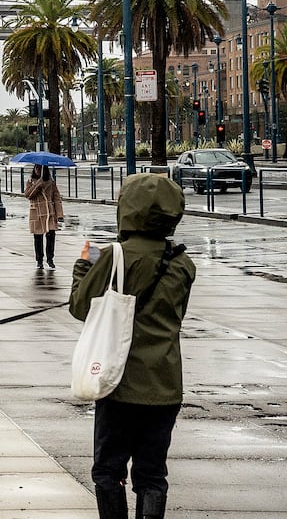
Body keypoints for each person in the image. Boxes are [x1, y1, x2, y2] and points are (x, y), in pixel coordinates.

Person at [69, 173, 196, 519]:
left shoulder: (112, 256)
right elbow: (176, 316)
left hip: (120, 384)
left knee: (108, 470)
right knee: (152, 474)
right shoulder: (183, 263)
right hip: (166, 385)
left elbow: (81, 306)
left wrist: (84, 264)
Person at [24, 165, 65, 270]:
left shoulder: (51, 182)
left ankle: (50, 259)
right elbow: (28, 195)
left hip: (49, 213)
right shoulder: (30, 181)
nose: (37, 170)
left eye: (40, 168)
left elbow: (57, 198)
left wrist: (60, 215)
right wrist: (38, 185)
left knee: (51, 236)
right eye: (36, 168)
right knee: (38, 238)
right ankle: (39, 260)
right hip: (36, 212)